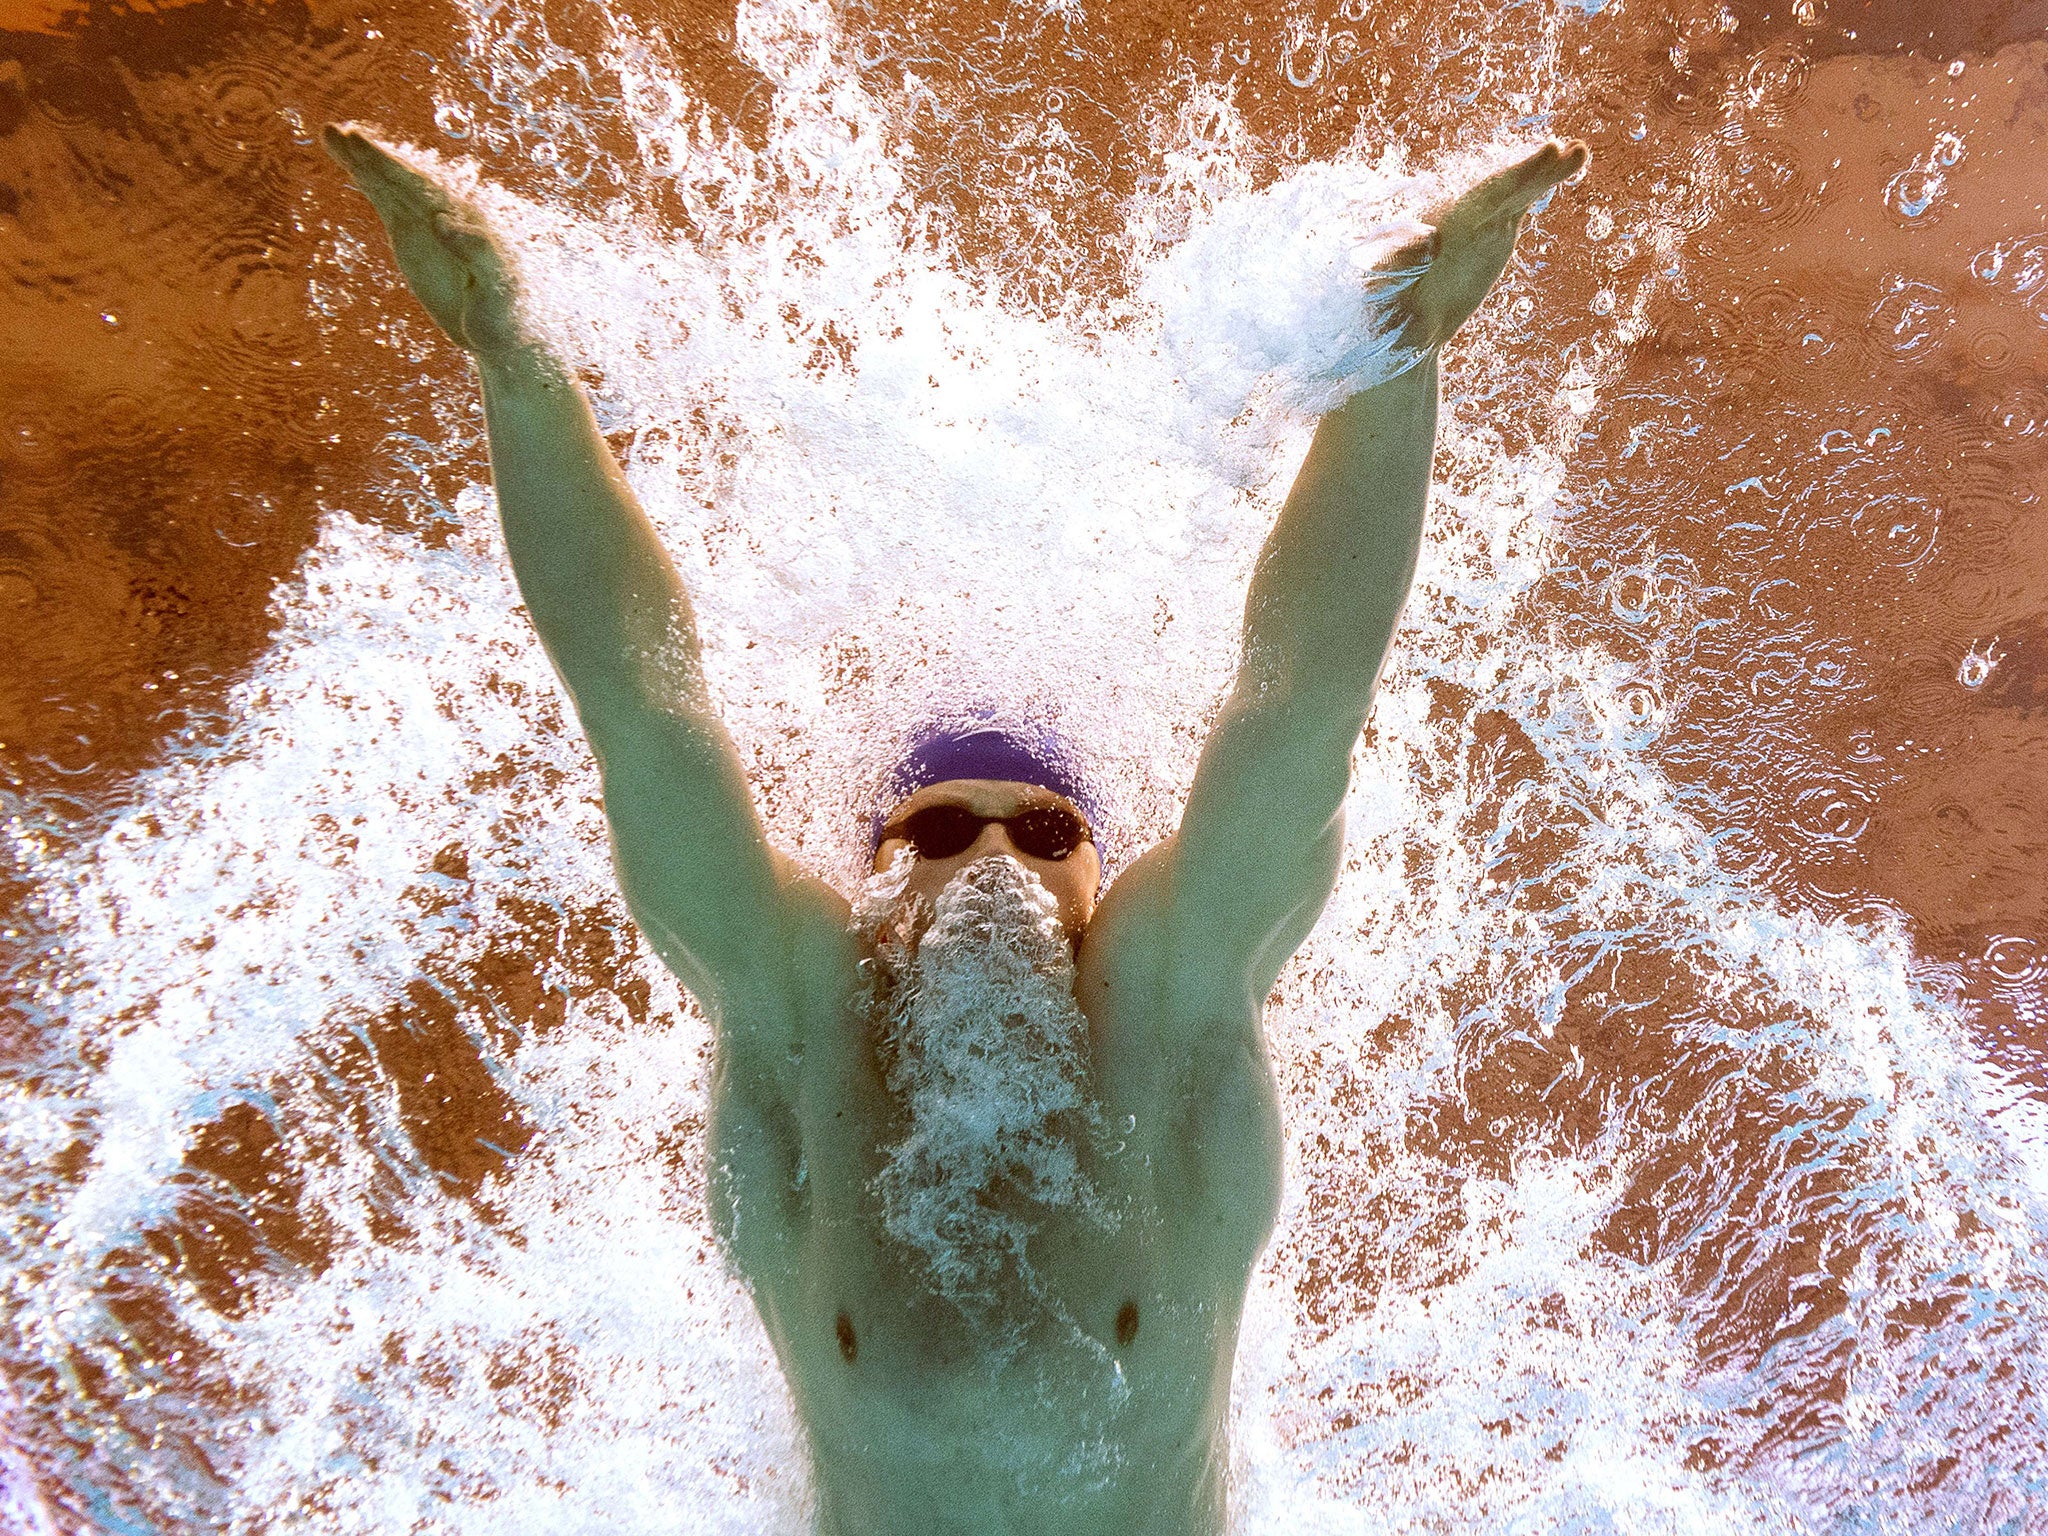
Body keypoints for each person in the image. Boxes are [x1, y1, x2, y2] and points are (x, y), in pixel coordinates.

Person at [322, 120, 1588, 1536]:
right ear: (870, 884)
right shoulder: (803, 1032)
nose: (987, 859)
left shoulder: (1165, 1020)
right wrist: (516, 361)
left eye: (1042, 830)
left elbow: (1299, 710)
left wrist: (1396, 362)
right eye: (930, 836)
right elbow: (639, 712)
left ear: (1103, 877)